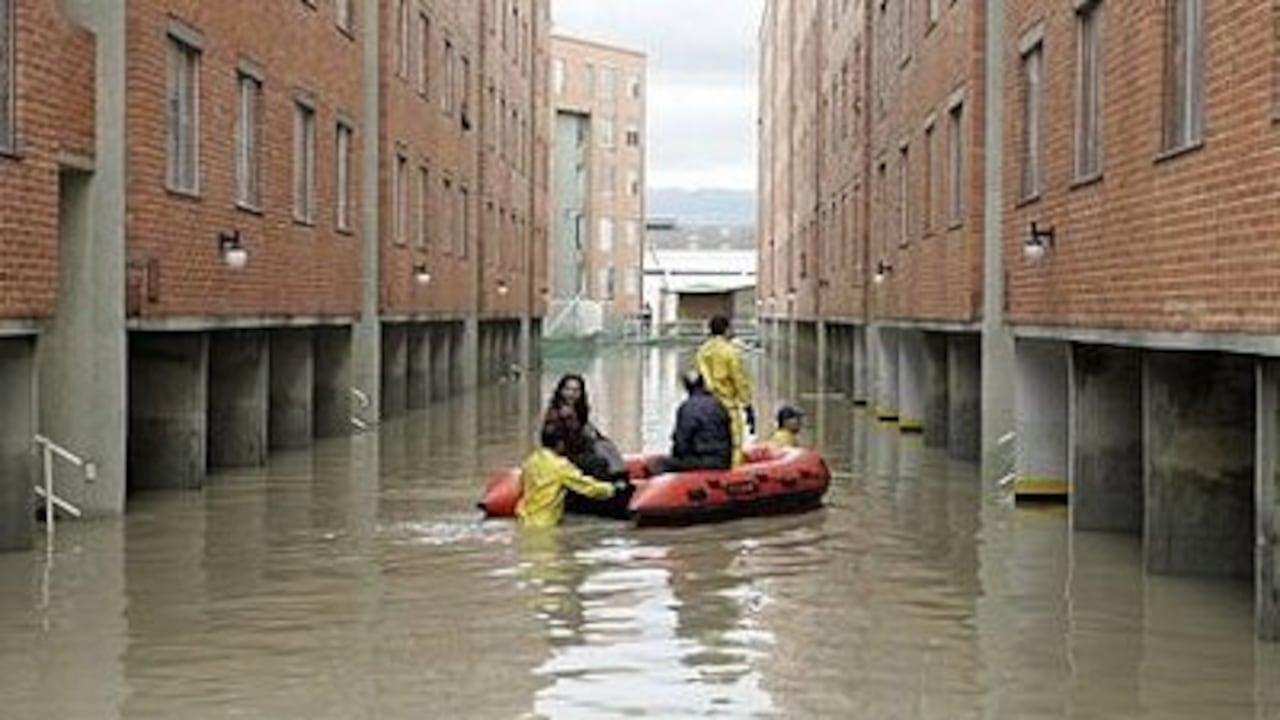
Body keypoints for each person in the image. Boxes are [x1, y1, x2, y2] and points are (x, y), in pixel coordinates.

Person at [517, 426, 623, 529]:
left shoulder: (531, 460)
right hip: (545, 524)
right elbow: (586, 486)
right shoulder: (560, 466)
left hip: (524, 520)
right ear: (560, 444)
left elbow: (522, 485)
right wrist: (612, 488)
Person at [695, 315, 755, 466]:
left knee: (711, 444)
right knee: (735, 444)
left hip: (708, 407)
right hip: (728, 406)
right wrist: (747, 404)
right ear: (726, 329)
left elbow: (700, 378)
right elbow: (739, 380)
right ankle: (734, 473)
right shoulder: (731, 352)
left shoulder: (702, 351)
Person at [542, 374, 625, 481]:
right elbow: (553, 442)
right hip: (565, 457)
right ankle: (613, 483)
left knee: (606, 446)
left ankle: (619, 478)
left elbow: (590, 432)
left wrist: (597, 441)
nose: (571, 394)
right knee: (599, 461)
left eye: (576, 390)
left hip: (579, 451)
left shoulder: (578, 411)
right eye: (568, 389)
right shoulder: (556, 413)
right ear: (561, 391)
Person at [653, 371, 733, 474]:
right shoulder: (718, 404)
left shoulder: (687, 408)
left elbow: (681, 442)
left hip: (702, 462)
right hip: (723, 462)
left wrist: (676, 458)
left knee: (659, 464)